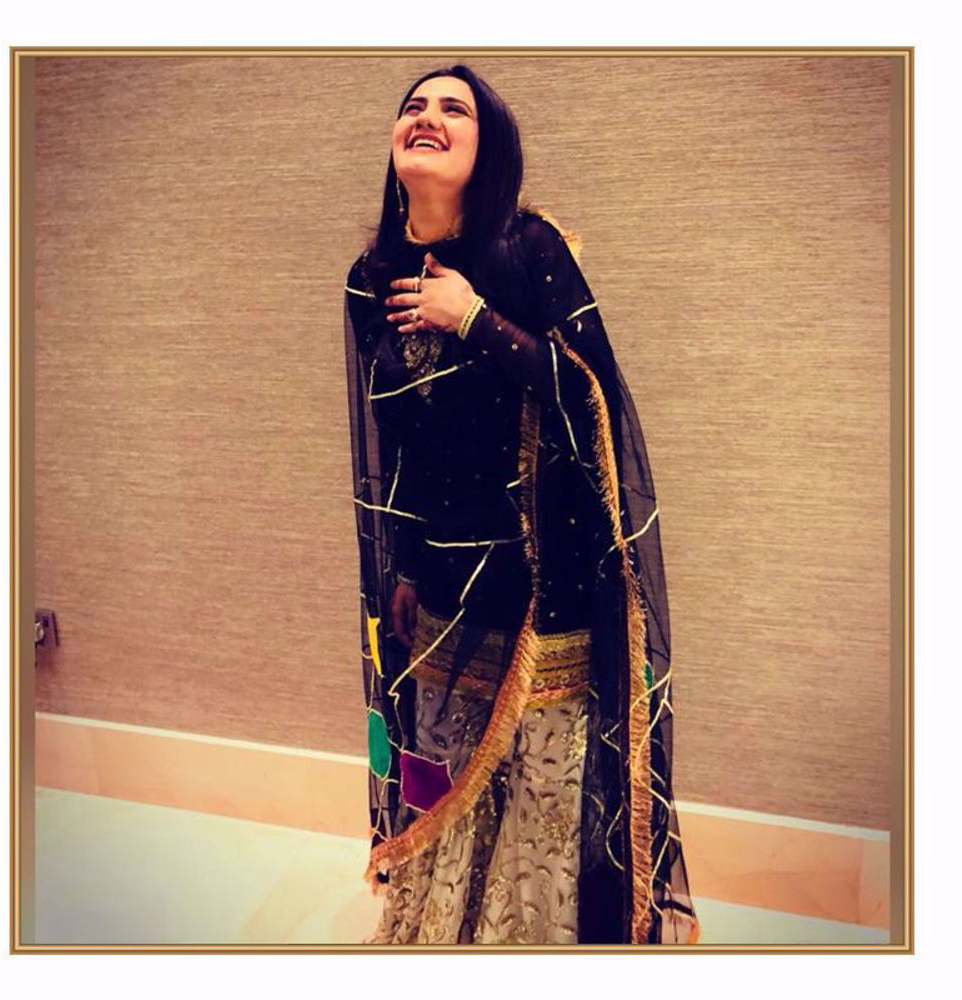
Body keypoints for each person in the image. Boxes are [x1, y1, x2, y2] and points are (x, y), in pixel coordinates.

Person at [343, 64, 700, 945]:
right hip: (439, 588)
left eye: (453, 109)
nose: (427, 117)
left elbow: (594, 405)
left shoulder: (528, 250)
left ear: (489, 145)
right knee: (440, 773)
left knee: (540, 790)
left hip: (544, 589)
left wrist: (473, 319)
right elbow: (392, 447)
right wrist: (399, 568)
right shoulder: (370, 277)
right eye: (414, 106)